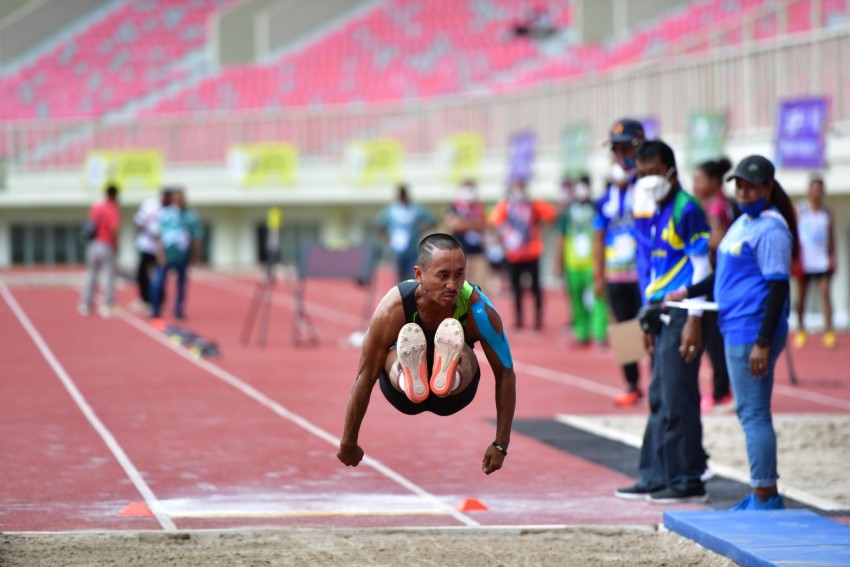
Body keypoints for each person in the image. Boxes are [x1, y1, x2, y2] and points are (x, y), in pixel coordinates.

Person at [667, 155, 797, 510]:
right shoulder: (743, 223)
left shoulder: (771, 230)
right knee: (749, 412)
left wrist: (764, 342)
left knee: (754, 413)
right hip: (736, 326)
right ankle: (762, 489)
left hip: (752, 329)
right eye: (738, 185)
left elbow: (778, 289)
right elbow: (721, 274)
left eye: (750, 185)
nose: (742, 191)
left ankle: (765, 493)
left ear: (767, 188)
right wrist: (689, 292)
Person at [336, 233, 517, 475]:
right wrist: (348, 440)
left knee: (463, 350)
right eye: (443, 276)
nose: (452, 285)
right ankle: (406, 372)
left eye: (459, 274)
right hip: (403, 396)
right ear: (419, 274)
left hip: (454, 395)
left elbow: (505, 373)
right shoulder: (393, 308)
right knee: (395, 351)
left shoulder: (479, 310)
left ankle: (448, 376)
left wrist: (500, 444)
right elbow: (365, 375)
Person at [615, 139, 711, 504]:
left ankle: (685, 476)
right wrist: (647, 316)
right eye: (640, 173)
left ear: (670, 169)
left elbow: (702, 267)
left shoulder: (685, 208)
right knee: (659, 394)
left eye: (653, 172)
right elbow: (649, 264)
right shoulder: (646, 206)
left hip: (682, 309)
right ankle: (655, 474)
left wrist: (695, 318)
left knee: (676, 395)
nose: (646, 179)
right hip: (648, 304)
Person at [595, 118, 646, 407]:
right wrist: (599, 275)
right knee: (625, 332)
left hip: (646, 274)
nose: (620, 155)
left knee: (652, 329)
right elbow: (599, 236)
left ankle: (662, 383)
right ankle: (632, 385)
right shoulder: (606, 198)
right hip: (617, 276)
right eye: (615, 149)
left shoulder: (651, 188)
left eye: (625, 148)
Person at [692, 158, 737, 412]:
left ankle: (722, 391)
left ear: (712, 181)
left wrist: (695, 244)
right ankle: (721, 389)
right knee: (710, 336)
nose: (695, 184)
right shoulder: (705, 204)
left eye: (699, 180)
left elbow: (719, 242)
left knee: (714, 336)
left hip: (718, 277)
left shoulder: (718, 207)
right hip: (711, 276)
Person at [488, 180, 557, 331]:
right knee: (517, 289)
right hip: (514, 256)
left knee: (536, 288)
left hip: (532, 253)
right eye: (516, 189)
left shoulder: (533, 205)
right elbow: (493, 221)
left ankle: (538, 320)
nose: (519, 193)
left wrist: (541, 228)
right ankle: (519, 320)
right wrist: (504, 240)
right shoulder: (506, 206)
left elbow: (551, 215)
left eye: (521, 189)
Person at [557, 175, 607, 346]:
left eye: (584, 186)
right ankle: (582, 332)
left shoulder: (596, 208)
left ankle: (599, 332)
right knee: (576, 300)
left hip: (592, 263)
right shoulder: (568, 212)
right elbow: (562, 237)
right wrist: (559, 262)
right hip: (573, 264)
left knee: (598, 299)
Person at [794, 175, 836, 349]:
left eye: (820, 189)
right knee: (802, 297)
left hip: (821, 260)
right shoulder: (800, 209)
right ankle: (801, 329)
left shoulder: (827, 212)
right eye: (814, 188)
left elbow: (831, 237)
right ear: (809, 190)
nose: (817, 192)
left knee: (825, 294)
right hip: (805, 261)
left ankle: (828, 331)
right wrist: (795, 257)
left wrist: (832, 256)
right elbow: (794, 235)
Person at [150, 187, 202, 321]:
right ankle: (155, 308)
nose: (179, 200)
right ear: (172, 199)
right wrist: (159, 254)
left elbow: (196, 236)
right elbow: (159, 236)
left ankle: (178, 310)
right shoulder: (165, 214)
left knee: (181, 284)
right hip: (167, 254)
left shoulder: (191, 215)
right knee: (159, 282)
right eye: (176, 197)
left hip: (182, 255)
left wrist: (195, 255)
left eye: (181, 197)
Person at [376, 183, 437, 283]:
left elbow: (432, 220)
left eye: (404, 194)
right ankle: (401, 296)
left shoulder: (415, 210)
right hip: (397, 252)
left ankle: (411, 296)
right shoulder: (392, 211)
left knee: (412, 277)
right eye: (401, 194)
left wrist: (420, 231)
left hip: (412, 251)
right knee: (399, 278)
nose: (403, 197)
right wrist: (387, 238)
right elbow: (379, 224)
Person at [79, 183, 121, 318]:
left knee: (91, 274)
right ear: (114, 194)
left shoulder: (96, 207)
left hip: (93, 244)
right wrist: (116, 244)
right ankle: (107, 305)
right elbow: (113, 228)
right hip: (106, 243)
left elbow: (91, 224)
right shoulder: (112, 209)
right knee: (108, 275)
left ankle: (85, 304)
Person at [133, 187, 173, 311]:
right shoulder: (150, 205)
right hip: (146, 245)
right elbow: (139, 222)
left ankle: (158, 301)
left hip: (161, 249)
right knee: (142, 274)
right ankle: (145, 299)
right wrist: (148, 232)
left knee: (160, 275)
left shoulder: (171, 211)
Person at [445, 179, 488, 288]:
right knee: (462, 285)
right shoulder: (455, 207)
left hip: (478, 252)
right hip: (461, 252)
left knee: (480, 285)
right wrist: (473, 224)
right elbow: (454, 224)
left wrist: (464, 223)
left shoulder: (480, 207)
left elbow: (483, 225)